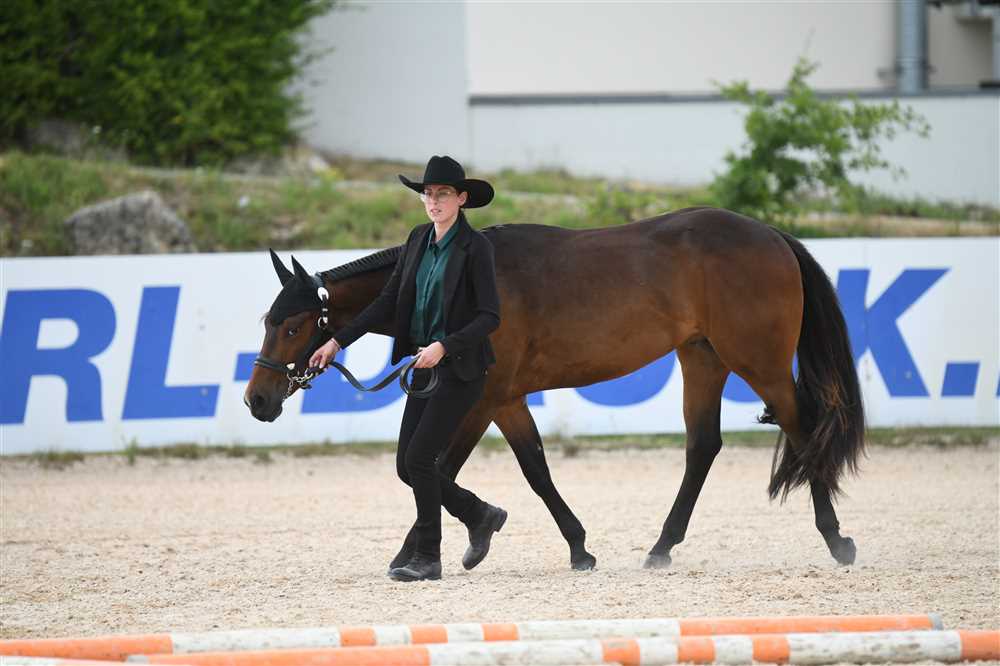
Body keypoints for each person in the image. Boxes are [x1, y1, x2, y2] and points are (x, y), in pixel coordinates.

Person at [309, 155, 507, 582]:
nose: (433, 202)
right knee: (407, 466)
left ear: (462, 199)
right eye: (428, 194)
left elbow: (490, 317)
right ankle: (478, 513)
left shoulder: (476, 248)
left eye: (443, 194)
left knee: (419, 458)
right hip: (423, 367)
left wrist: (444, 345)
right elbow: (386, 301)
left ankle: (428, 557)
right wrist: (337, 342)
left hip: (462, 369)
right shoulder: (417, 239)